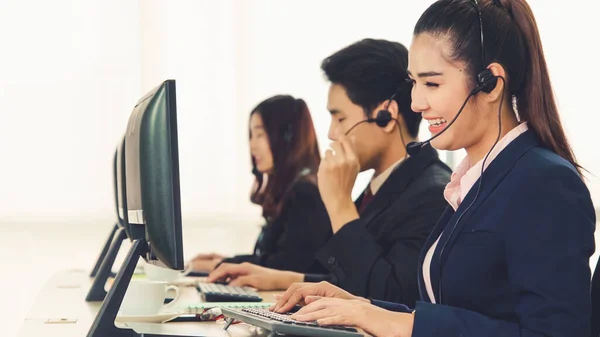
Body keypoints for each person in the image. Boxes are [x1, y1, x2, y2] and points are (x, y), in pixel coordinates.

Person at [263, 1, 597, 337]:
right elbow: (453, 310)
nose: (416, 103)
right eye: (413, 83)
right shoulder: (474, 181)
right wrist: (363, 307)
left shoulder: (544, 182)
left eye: (432, 84)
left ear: (491, 84)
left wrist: (403, 323)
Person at [208, 39, 452, 307]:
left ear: (386, 115)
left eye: (340, 118)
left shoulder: (433, 194)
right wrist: (279, 278)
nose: (331, 133)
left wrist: (340, 205)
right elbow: (350, 277)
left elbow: (390, 298)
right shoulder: (382, 187)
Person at [190, 95, 332, 274]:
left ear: (287, 137)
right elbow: (274, 258)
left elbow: (287, 266)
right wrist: (226, 261)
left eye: (260, 135)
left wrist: (220, 266)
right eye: (251, 136)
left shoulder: (305, 193)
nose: (252, 146)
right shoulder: (291, 190)